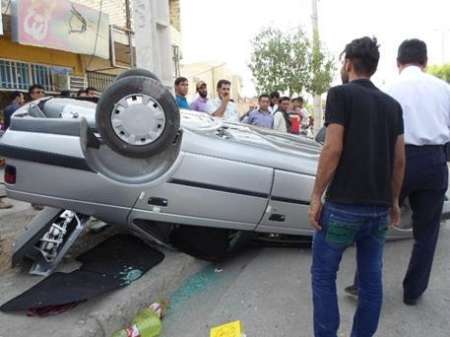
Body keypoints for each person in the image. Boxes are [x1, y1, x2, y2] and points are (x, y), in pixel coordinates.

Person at [309, 36, 405, 337]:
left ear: (348, 62)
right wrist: (393, 201)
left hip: (342, 209)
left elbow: (332, 149)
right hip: (377, 212)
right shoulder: (393, 106)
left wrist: (315, 195)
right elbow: (400, 160)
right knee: (371, 282)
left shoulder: (340, 95)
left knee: (324, 276)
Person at [345, 39, 450, 306]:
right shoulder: (444, 90)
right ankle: (413, 292)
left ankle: (362, 285)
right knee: (427, 234)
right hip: (435, 161)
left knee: (377, 223)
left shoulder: (388, 90)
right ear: (425, 62)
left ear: (398, 63)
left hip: (396, 160)